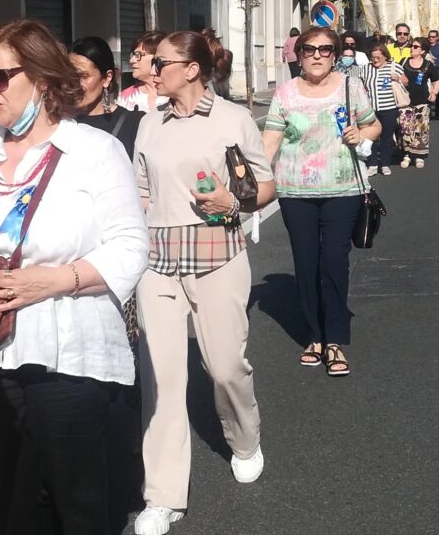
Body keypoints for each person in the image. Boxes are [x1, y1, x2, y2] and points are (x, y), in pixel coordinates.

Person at [0, 18, 148, 535]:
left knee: (76, 505)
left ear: (39, 78)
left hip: (70, 353)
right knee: (8, 501)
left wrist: (53, 281)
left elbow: (130, 246)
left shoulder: (94, 151)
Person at [132, 30, 276, 535]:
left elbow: (264, 185)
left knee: (224, 366)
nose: (153, 71)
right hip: (159, 260)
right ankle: (163, 495)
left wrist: (233, 204)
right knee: (162, 377)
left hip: (219, 253)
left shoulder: (233, 118)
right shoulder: (150, 124)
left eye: (162, 63)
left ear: (191, 68)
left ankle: (245, 439)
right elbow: (142, 191)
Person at [262, 27, 380, 378]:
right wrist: (249, 183)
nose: (317, 55)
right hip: (295, 192)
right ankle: (314, 335)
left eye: (325, 50)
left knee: (333, 261)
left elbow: (373, 126)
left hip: (342, 190)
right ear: (299, 54)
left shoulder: (350, 87)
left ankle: (334, 339)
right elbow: (269, 144)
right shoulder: (284, 95)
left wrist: (362, 133)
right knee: (306, 262)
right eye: (310, 49)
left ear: (335, 54)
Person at [69, 36, 141, 159]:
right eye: (69, 75)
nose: (74, 83)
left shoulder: (133, 123)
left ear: (107, 78)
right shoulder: (61, 122)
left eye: (83, 76)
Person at [360, 44, 405, 176]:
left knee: (386, 137)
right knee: (371, 137)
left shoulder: (394, 66)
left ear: (385, 56)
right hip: (371, 109)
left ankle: (385, 163)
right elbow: (359, 83)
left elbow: (406, 81)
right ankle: (372, 164)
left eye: (378, 57)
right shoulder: (366, 68)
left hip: (389, 108)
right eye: (373, 57)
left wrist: (398, 78)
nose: (375, 60)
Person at [398, 38, 439, 169]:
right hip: (405, 102)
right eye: (411, 46)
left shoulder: (428, 65)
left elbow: (437, 80)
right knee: (405, 128)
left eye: (416, 47)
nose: (412, 48)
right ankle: (407, 154)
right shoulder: (403, 62)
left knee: (420, 129)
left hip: (422, 102)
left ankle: (419, 156)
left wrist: (433, 93)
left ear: (422, 51)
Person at [119, 31, 168, 113]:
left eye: (138, 55)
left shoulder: (174, 95)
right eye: (132, 55)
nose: (131, 60)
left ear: (157, 57)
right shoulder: (126, 97)